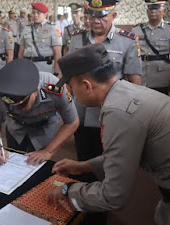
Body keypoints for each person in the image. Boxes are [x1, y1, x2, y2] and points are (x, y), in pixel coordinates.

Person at [47, 43, 170, 225]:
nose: (72, 94)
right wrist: (83, 166)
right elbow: (124, 155)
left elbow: (114, 196)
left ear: (87, 85)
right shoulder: (127, 92)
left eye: (71, 87)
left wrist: (68, 190)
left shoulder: (118, 112)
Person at [69, 0, 142, 164]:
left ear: (113, 15)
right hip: (81, 110)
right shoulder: (76, 38)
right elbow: (69, 74)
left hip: (110, 113)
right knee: (83, 154)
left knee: (110, 160)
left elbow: (134, 82)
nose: (95, 20)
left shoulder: (127, 41)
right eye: (92, 15)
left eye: (102, 16)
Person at [0, 59, 79, 165]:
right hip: (16, 130)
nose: (19, 110)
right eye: (13, 106)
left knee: (40, 167)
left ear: (35, 92)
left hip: (44, 131)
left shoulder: (54, 87)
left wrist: (48, 151)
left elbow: (72, 122)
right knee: (13, 164)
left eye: (23, 105)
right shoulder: (0, 93)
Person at [132, 0, 170, 95]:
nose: (153, 11)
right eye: (150, 8)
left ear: (164, 10)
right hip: (141, 76)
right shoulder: (136, 29)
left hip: (161, 77)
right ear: (147, 11)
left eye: (157, 8)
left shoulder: (168, 30)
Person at [18, 2, 62, 75]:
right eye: (33, 13)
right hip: (27, 66)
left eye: (38, 13)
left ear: (45, 15)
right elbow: (21, 52)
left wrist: (56, 72)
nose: (35, 15)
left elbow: (57, 53)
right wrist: (20, 67)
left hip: (45, 68)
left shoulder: (52, 28)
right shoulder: (26, 28)